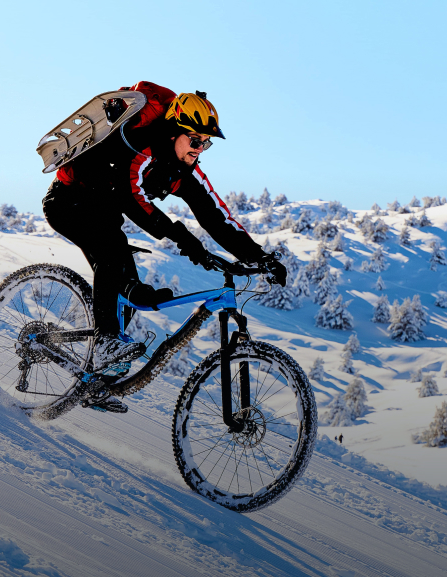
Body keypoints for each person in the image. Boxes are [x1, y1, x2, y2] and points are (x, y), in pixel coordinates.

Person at [42, 82, 286, 370]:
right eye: (195, 140)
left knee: (131, 296)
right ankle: (105, 343)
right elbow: (131, 198)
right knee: (110, 253)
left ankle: (96, 382)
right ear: (174, 132)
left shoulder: (180, 169)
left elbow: (215, 216)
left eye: (206, 143)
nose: (200, 150)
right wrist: (183, 237)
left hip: (103, 215)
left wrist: (259, 257)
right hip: (68, 203)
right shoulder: (139, 146)